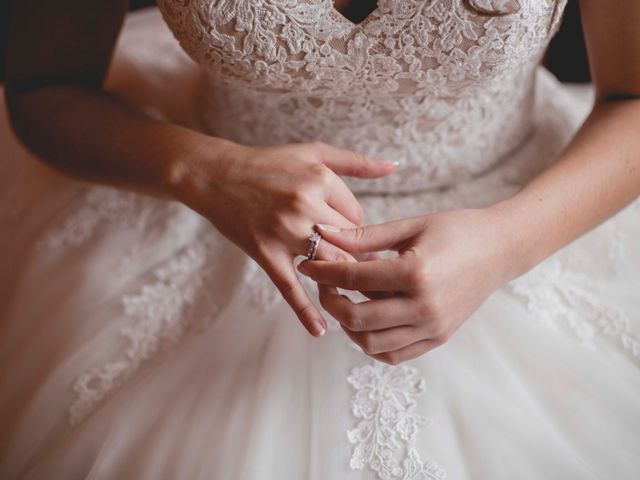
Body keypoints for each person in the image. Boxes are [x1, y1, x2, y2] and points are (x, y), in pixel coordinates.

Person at [1, 0, 639, 478]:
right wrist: (208, 172)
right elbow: (44, 86)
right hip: (201, 203)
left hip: (527, 204)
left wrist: (508, 244)